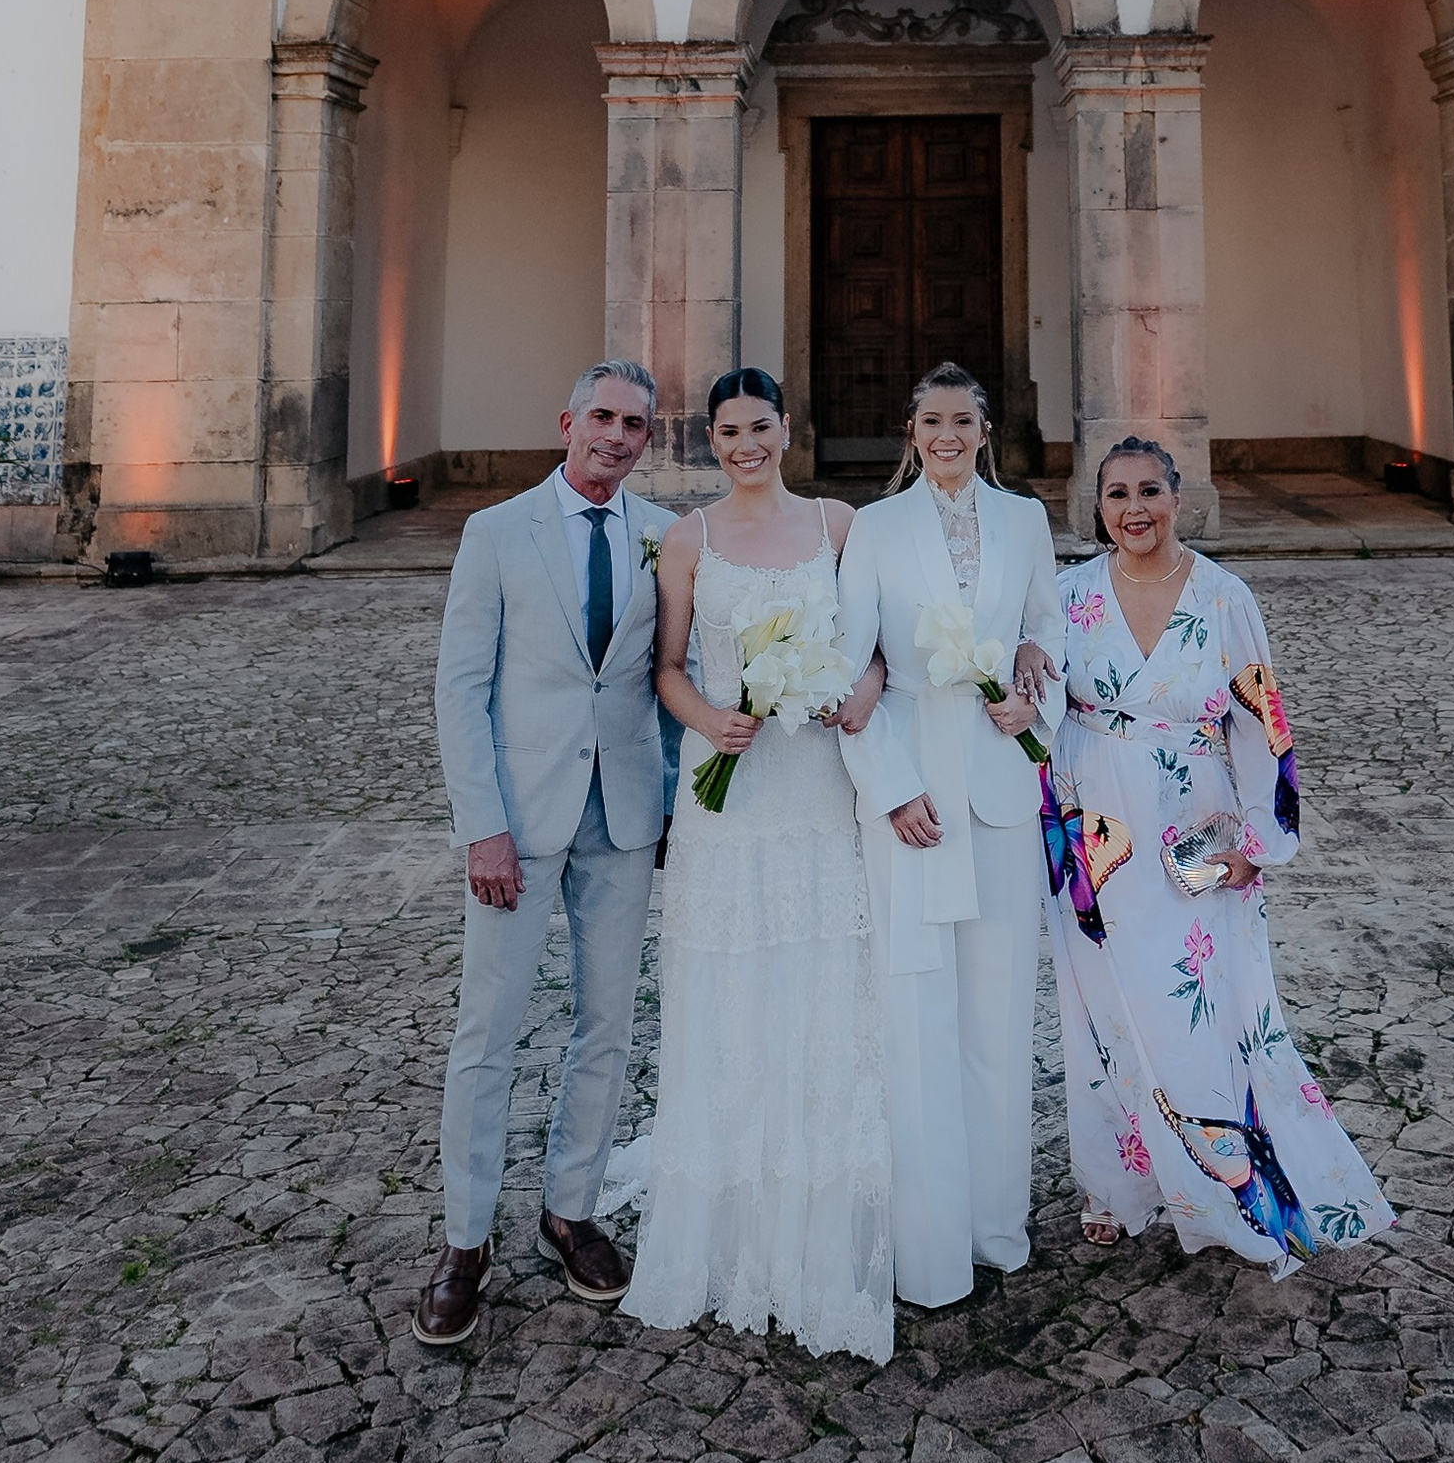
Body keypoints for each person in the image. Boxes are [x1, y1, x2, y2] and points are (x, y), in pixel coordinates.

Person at [1045, 432, 1393, 1276]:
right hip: (1096, 838)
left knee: (1207, 1012)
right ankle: (1117, 1189)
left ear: (1177, 499)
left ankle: (1232, 1187)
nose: (1135, 510)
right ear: (1097, 507)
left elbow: (1262, 720)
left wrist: (1259, 842)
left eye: (1150, 492)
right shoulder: (1066, 595)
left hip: (1195, 831)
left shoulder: (1224, 596)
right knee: (1105, 1014)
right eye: (1118, 494)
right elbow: (1042, 704)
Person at [619, 366, 898, 1360]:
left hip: (818, 781)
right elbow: (665, 667)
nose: (745, 445)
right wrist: (710, 719)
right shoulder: (686, 539)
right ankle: (730, 1209)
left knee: (826, 982)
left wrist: (857, 695)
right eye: (728, 431)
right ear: (711, 440)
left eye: (760, 427)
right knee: (727, 989)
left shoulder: (838, 527)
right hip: (727, 787)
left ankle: (823, 1205)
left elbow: (876, 645)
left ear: (787, 428)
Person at [419, 361, 677, 1349]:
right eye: (602, 417)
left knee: (606, 1026)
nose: (615, 436)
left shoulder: (663, 537)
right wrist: (481, 823)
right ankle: (464, 1241)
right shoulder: (495, 534)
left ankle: (571, 1212)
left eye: (635, 425)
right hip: (516, 830)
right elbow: (460, 686)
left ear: (648, 439)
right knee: (487, 1035)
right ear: (567, 420)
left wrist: (672, 806)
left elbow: (669, 678)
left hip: (623, 822)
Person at [835, 363, 1064, 1306]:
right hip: (914, 802)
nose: (947, 435)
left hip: (1003, 794)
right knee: (919, 1017)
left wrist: (1031, 681)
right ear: (910, 429)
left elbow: (1051, 625)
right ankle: (926, 1246)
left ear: (985, 429)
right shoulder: (876, 530)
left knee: (1000, 1019)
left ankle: (994, 1226)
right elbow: (851, 670)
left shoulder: (1025, 521)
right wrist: (891, 789)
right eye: (931, 420)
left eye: (962, 420)